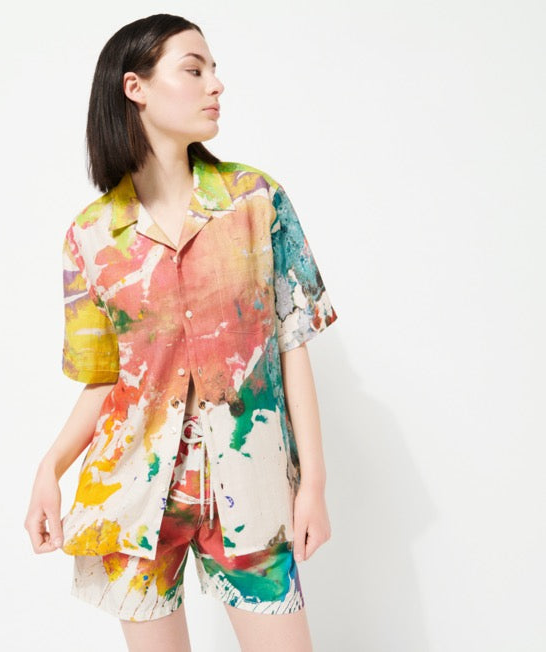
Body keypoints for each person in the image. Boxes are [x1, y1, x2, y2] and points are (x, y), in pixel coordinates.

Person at [24, 13, 338, 652]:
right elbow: (104, 381)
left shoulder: (256, 201)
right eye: (194, 70)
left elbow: (292, 345)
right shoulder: (90, 237)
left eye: (214, 70)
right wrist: (48, 469)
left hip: (250, 489)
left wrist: (313, 484)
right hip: (134, 496)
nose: (215, 84)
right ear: (134, 87)